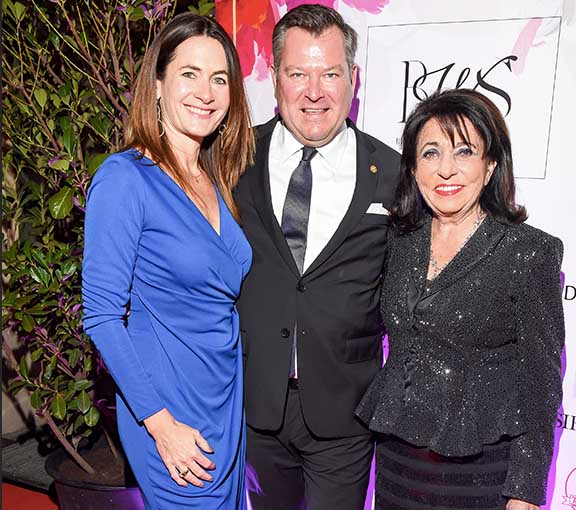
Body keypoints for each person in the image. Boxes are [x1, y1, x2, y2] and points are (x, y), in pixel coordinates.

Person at [356, 88, 565, 510]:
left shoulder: (527, 252)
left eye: (464, 152)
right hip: (398, 462)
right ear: (413, 168)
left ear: (490, 166)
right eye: (431, 153)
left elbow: (542, 378)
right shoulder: (397, 242)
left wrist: (525, 489)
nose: (446, 170)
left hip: (480, 470)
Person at [82, 13, 254, 510]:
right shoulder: (125, 179)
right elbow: (101, 316)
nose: (206, 91)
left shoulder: (214, 178)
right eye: (189, 74)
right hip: (171, 413)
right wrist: (160, 425)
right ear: (157, 84)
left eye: (219, 79)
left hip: (223, 400)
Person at [235, 4, 400, 509]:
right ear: (275, 79)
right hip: (252, 403)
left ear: (352, 78)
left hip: (343, 410)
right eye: (297, 73)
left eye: (329, 73)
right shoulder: (233, 156)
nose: (314, 91)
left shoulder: (392, 172)